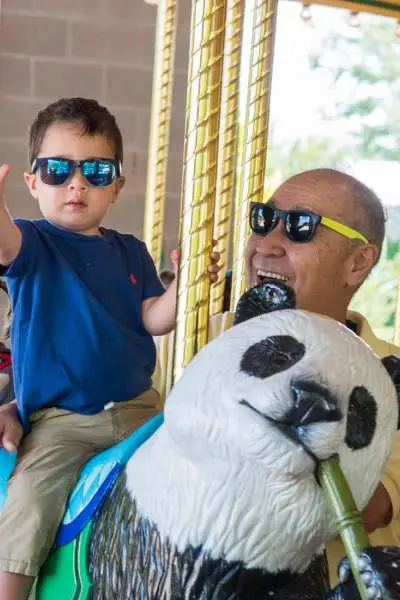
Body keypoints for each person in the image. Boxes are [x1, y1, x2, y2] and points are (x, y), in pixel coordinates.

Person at [0, 96, 219, 600]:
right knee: (32, 500)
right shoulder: (33, 244)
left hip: (144, 409)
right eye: (57, 170)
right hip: (64, 422)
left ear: (117, 185)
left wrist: (184, 285)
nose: (76, 183)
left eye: (96, 171)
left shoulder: (130, 250)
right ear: (33, 182)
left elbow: (153, 318)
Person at [153, 168, 400, 586]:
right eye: (262, 222)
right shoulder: (203, 335)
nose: (264, 245)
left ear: (358, 262)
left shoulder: (385, 374)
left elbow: (371, 506)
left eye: (300, 228)